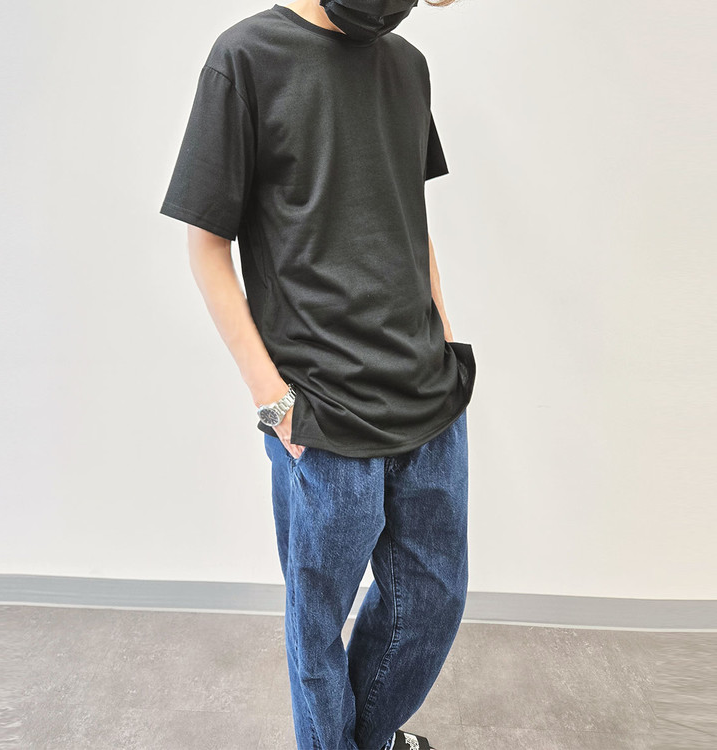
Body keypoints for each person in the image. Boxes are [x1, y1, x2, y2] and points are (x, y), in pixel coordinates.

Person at [159, 1, 476, 747]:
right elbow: (206, 245)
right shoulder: (245, 58)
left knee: (431, 604)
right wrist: (272, 402)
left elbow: (408, 213)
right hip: (321, 412)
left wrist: (442, 330)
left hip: (426, 393)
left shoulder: (407, 65)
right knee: (318, 624)